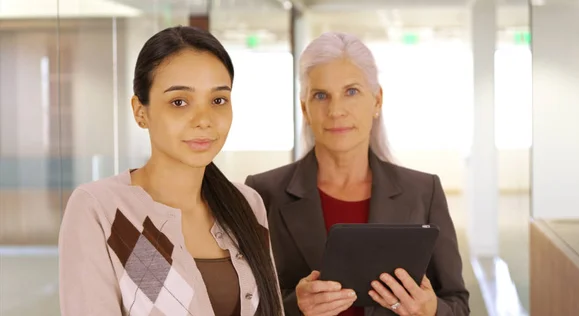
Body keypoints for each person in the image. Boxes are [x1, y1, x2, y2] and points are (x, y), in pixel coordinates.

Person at [58, 26, 283, 316]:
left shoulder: (247, 204)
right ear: (141, 111)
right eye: (179, 102)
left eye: (218, 100)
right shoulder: (101, 209)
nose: (204, 120)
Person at [245, 32, 469, 316]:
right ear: (305, 108)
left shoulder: (424, 192)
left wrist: (431, 310)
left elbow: (458, 304)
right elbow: (245, 305)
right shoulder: (262, 194)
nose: (336, 110)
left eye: (351, 91)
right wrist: (295, 308)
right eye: (320, 95)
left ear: (377, 101)